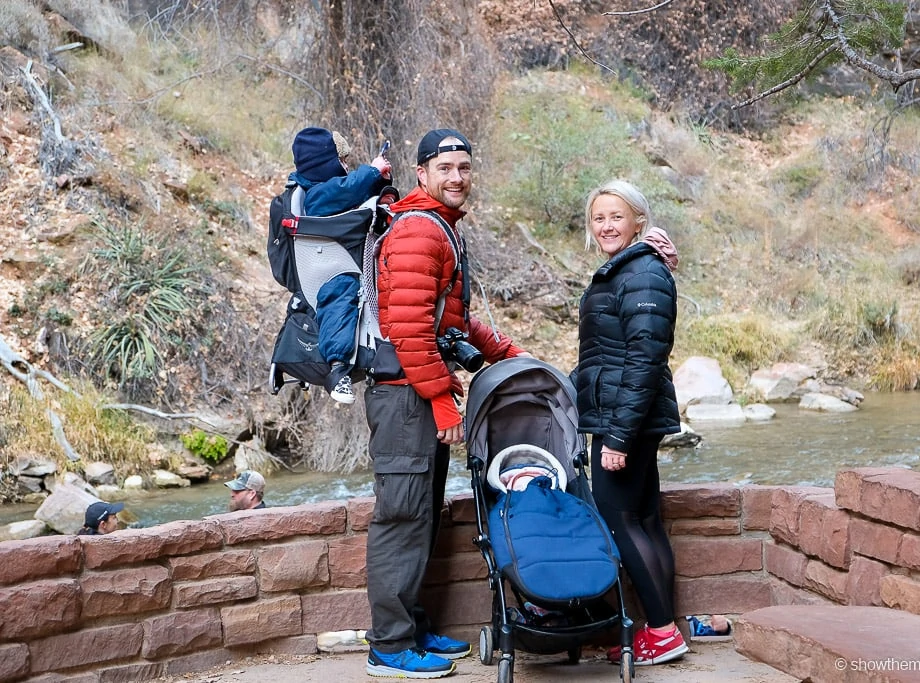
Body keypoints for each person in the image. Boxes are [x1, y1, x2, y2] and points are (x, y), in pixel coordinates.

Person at [362, 128, 530, 679]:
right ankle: (388, 647)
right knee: (402, 516)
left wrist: (505, 351)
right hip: (404, 395)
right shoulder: (419, 232)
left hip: (415, 391)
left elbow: (447, 321)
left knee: (418, 514)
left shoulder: (439, 228)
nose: (457, 177)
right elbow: (408, 329)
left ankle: (409, 628)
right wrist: (441, 402)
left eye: (464, 167)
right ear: (423, 174)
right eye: (446, 168)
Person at [571, 179, 688, 666]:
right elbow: (617, 352)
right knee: (643, 519)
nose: (606, 226)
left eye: (615, 216)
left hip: (628, 418)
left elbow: (644, 358)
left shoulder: (641, 272)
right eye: (598, 218)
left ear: (638, 219)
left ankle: (661, 632)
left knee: (620, 520)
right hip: (627, 411)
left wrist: (617, 437)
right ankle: (665, 628)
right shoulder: (629, 269)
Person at [289, 126, 393, 405]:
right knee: (341, 296)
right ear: (326, 165)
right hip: (330, 267)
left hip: (342, 258)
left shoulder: (327, 191)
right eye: (342, 162)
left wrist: (381, 180)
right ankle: (337, 368)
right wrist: (372, 170)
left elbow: (353, 193)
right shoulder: (319, 194)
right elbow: (348, 189)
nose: (347, 167)